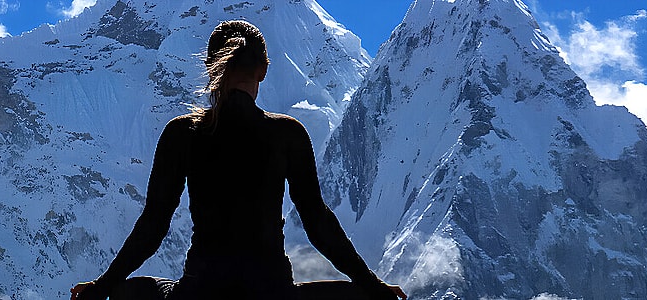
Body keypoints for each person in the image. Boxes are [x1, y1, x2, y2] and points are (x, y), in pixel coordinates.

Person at [72, 20, 406, 300]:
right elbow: (318, 224)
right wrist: (373, 287)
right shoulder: (287, 133)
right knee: (355, 294)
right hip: (272, 291)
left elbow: (153, 225)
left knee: (131, 291)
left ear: (210, 67)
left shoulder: (182, 133)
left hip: (201, 291)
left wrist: (101, 287)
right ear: (263, 70)